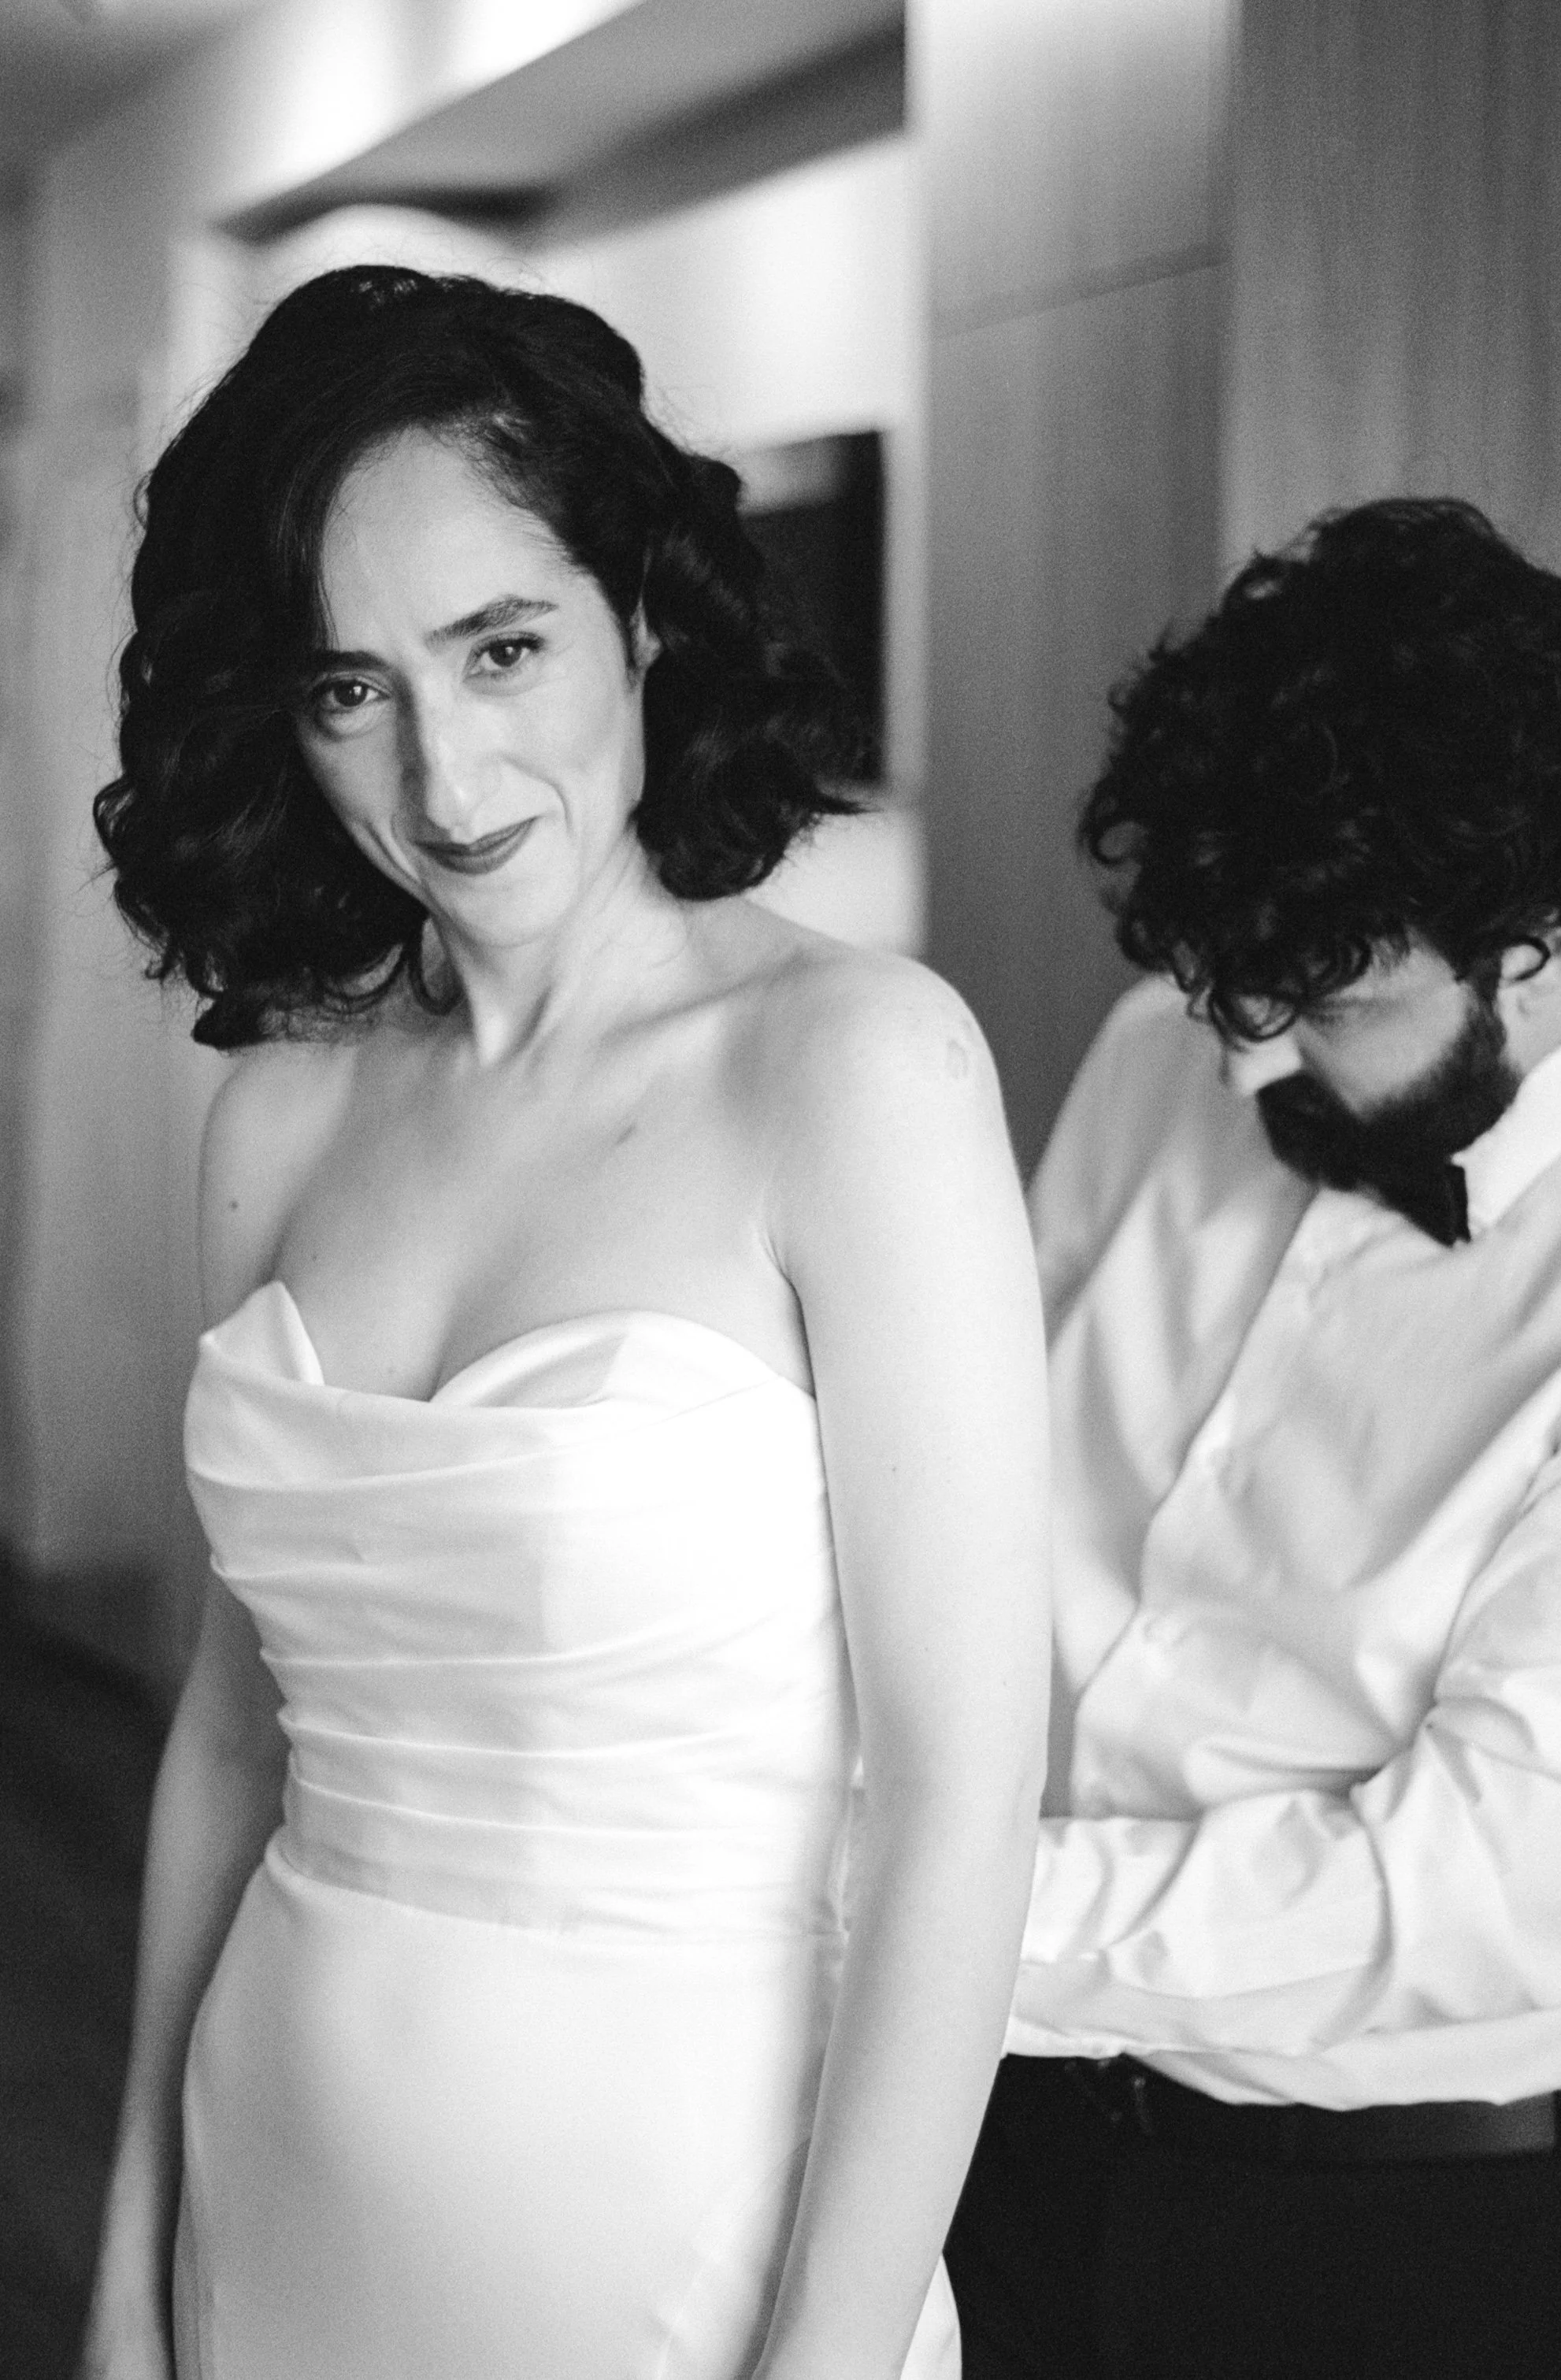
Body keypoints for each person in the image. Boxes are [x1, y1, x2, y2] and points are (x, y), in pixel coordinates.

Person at [79, 265, 1052, 2380]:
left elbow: (962, 1799)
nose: (446, 770)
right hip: (276, 2180)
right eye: (352, 686)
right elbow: (235, 1731)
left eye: (501, 647)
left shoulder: (854, 1069)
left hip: (690, 2237)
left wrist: (825, 2355)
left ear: (644, 616)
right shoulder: (279, 1111)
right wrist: (130, 2241)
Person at [945, 499, 1561, 2380]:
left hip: (1393, 2239)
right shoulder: (1163, 1051)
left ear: (1541, 941)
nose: (1244, 1060)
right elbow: (974, 1504)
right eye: (1232, 984)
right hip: (994, 2127)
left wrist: (944, 1915)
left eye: (1333, 996)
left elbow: (1474, 1886)